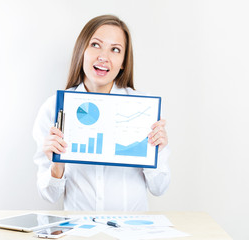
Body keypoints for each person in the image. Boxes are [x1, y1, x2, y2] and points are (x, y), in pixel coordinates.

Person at [33, 15, 170, 211]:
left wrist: (155, 152)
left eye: (115, 49)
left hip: (131, 230)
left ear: (123, 62)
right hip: (79, 230)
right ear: (82, 51)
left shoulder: (144, 109)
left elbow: (159, 188)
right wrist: (56, 164)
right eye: (96, 45)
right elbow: (49, 195)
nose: (103, 57)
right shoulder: (54, 108)